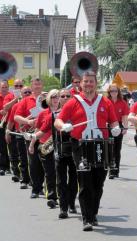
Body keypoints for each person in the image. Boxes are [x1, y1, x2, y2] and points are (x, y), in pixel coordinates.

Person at [55, 71, 120, 231]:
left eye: (91, 81)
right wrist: (63, 126)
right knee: (85, 182)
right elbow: (58, 120)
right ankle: (87, 219)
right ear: (81, 84)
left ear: (95, 83)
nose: (88, 84)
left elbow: (113, 121)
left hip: (101, 145)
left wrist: (116, 128)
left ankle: (93, 213)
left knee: (99, 183)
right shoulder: (72, 102)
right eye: (86, 82)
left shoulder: (105, 101)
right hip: (80, 146)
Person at [26, 90, 59, 208]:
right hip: (45, 145)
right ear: (49, 99)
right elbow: (37, 130)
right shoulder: (43, 114)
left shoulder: (63, 112)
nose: (56, 99)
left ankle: (61, 195)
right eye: (53, 97)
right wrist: (31, 144)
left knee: (59, 172)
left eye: (58, 97)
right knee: (50, 172)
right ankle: (52, 197)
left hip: (60, 145)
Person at [14, 78, 46, 198]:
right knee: (33, 162)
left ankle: (42, 186)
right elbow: (16, 117)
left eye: (39, 84)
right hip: (31, 133)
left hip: (45, 134)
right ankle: (35, 188)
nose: (37, 86)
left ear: (42, 85)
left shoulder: (48, 98)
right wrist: (28, 121)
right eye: (35, 85)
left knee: (45, 161)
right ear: (31, 87)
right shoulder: (26, 100)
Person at [54, 89, 78, 218]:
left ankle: (72, 203)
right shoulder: (55, 114)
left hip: (75, 150)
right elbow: (49, 131)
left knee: (74, 180)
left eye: (67, 96)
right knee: (61, 180)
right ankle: (63, 208)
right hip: (60, 150)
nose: (64, 98)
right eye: (62, 96)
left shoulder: (76, 113)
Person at [5, 85, 31, 189]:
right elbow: (11, 121)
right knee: (23, 158)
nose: (28, 94)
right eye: (25, 92)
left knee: (34, 161)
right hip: (20, 135)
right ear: (21, 94)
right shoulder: (16, 106)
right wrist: (7, 132)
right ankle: (24, 180)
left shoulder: (35, 104)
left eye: (29, 92)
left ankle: (35, 182)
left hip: (33, 134)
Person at [106, 84, 129, 179]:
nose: (113, 93)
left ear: (118, 92)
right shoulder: (106, 101)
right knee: (109, 149)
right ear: (109, 92)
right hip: (108, 125)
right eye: (111, 91)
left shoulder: (122, 102)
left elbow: (125, 116)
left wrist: (125, 128)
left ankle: (116, 170)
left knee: (117, 149)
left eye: (115, 91)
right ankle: (111, 170)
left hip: (118, 125)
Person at [4, 79, 24, 183]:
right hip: (11, 126)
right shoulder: (9, 96)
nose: (18, 88)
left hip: (24, 129)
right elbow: (6, 108)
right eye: (16, 86)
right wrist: (15, 99)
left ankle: (23, 174)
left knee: (22, 154)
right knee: (13, 152)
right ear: (13, 87)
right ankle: (16, 173)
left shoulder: (27, 94)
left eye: (20, 85)